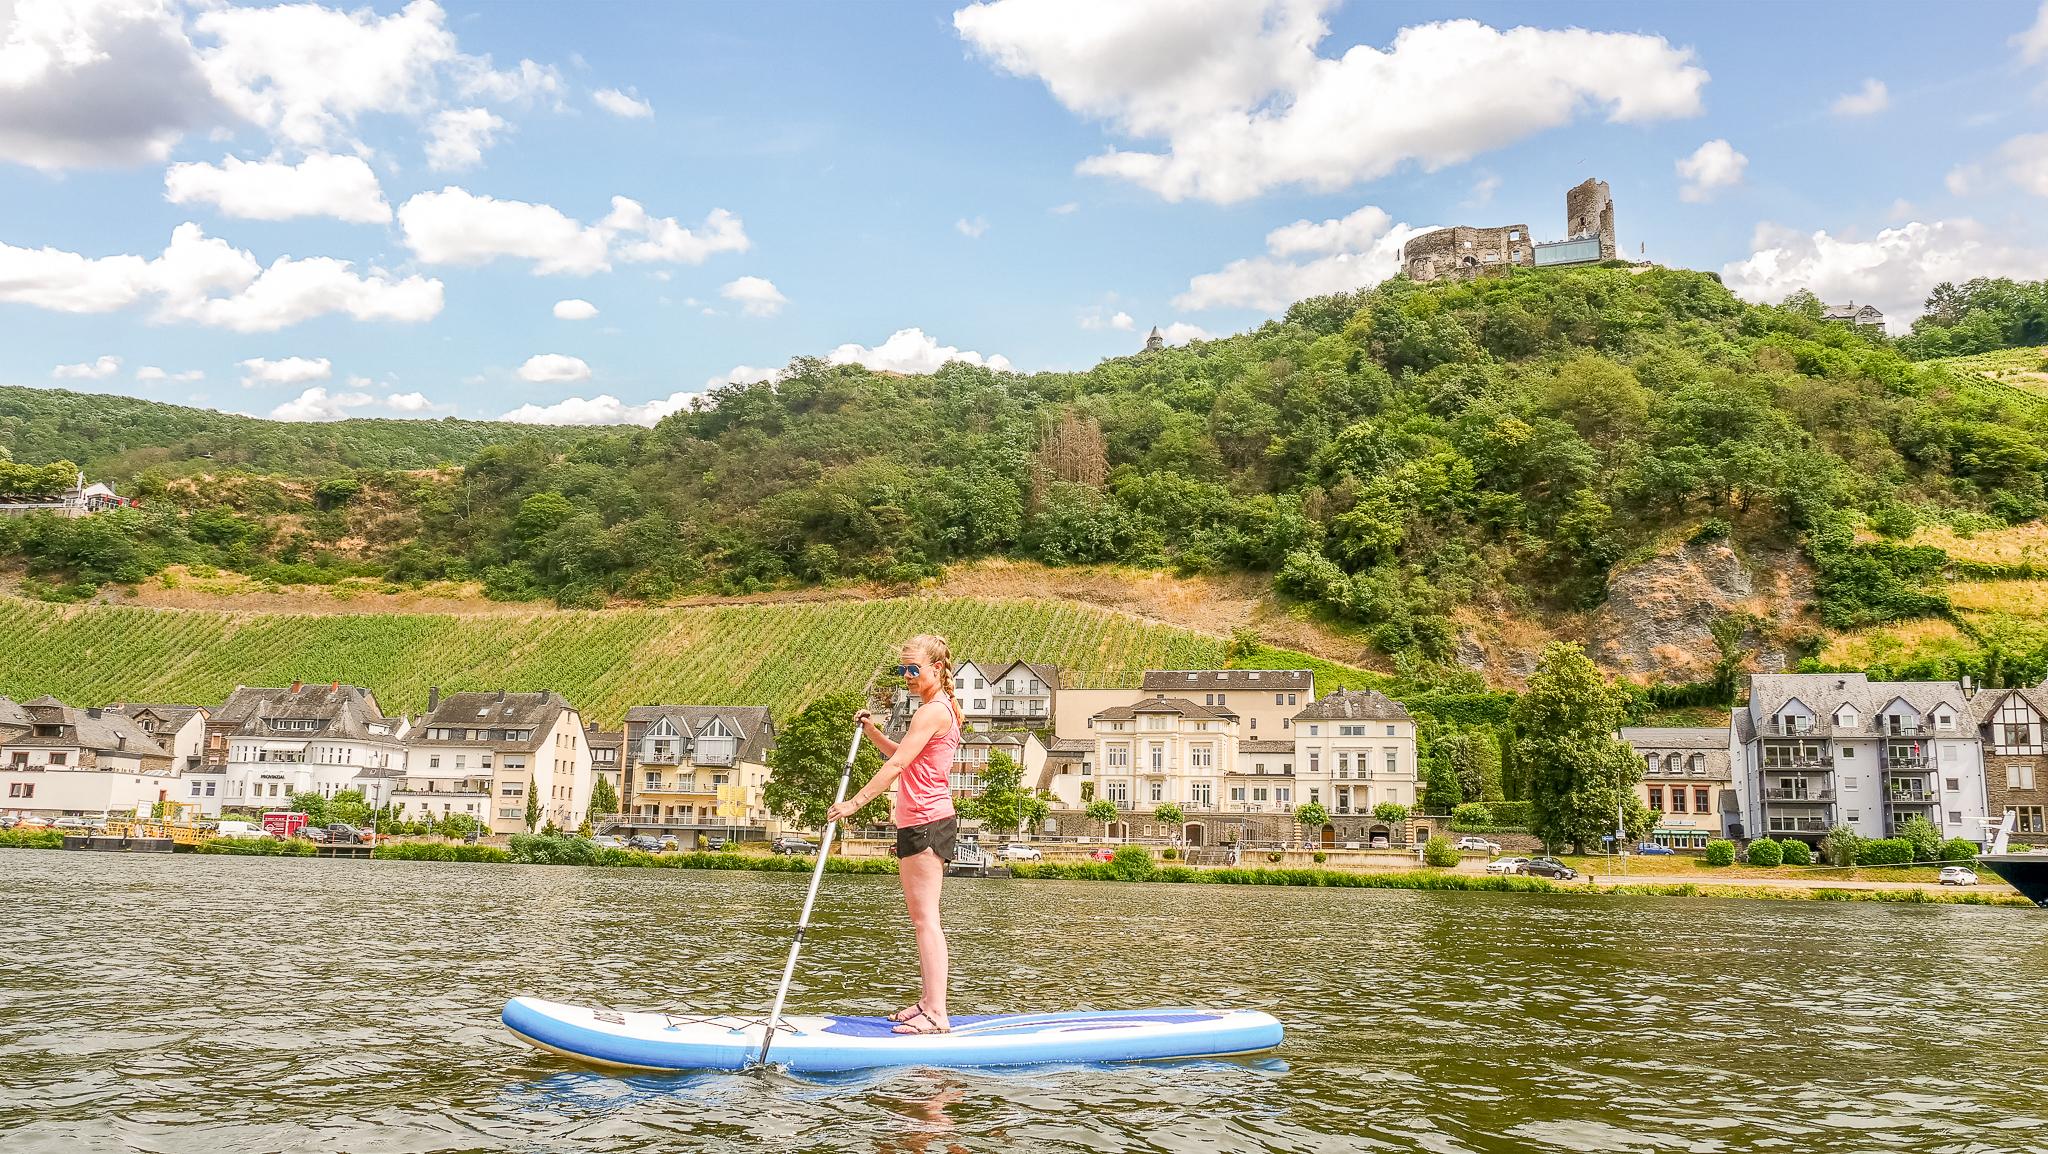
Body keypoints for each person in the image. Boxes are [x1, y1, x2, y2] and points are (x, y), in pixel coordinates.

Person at [825, 633, 963, 1035]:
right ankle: (927, 1001)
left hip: (926, 822)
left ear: (935, 669)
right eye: (902, 669)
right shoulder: (934, 709)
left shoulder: (934, 711)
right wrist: (871, 731)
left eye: (913, 669)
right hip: (918, 822)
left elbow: (899, 764)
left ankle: (937, 1013)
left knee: (926, 920)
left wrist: (854, 803)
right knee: (921, 919)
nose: (906, 675)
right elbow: (903, 753)